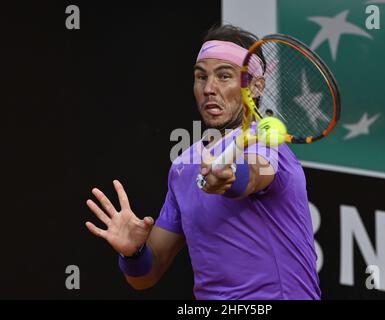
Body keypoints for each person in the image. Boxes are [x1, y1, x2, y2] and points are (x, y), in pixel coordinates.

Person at [85, 25, 321, 300]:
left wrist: (230, 177)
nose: (209, 88)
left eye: (224, 76)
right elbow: (147, 275)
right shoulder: (184, 166)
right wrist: (134, 253)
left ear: (256, 86)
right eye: (201, 77)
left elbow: (254, 174)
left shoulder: (267, 145)